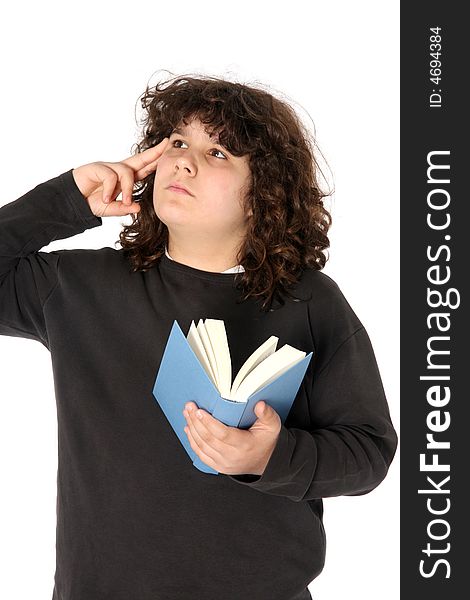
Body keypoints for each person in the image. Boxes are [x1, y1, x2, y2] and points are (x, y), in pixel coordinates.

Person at [0, 73, 398, 600]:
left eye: (219, 153)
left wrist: (268, 458)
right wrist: (69, 198)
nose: (183, 161)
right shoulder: (77, 287)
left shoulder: (310, 302)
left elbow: (367, 452)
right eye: (178, 142)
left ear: (265, 196)